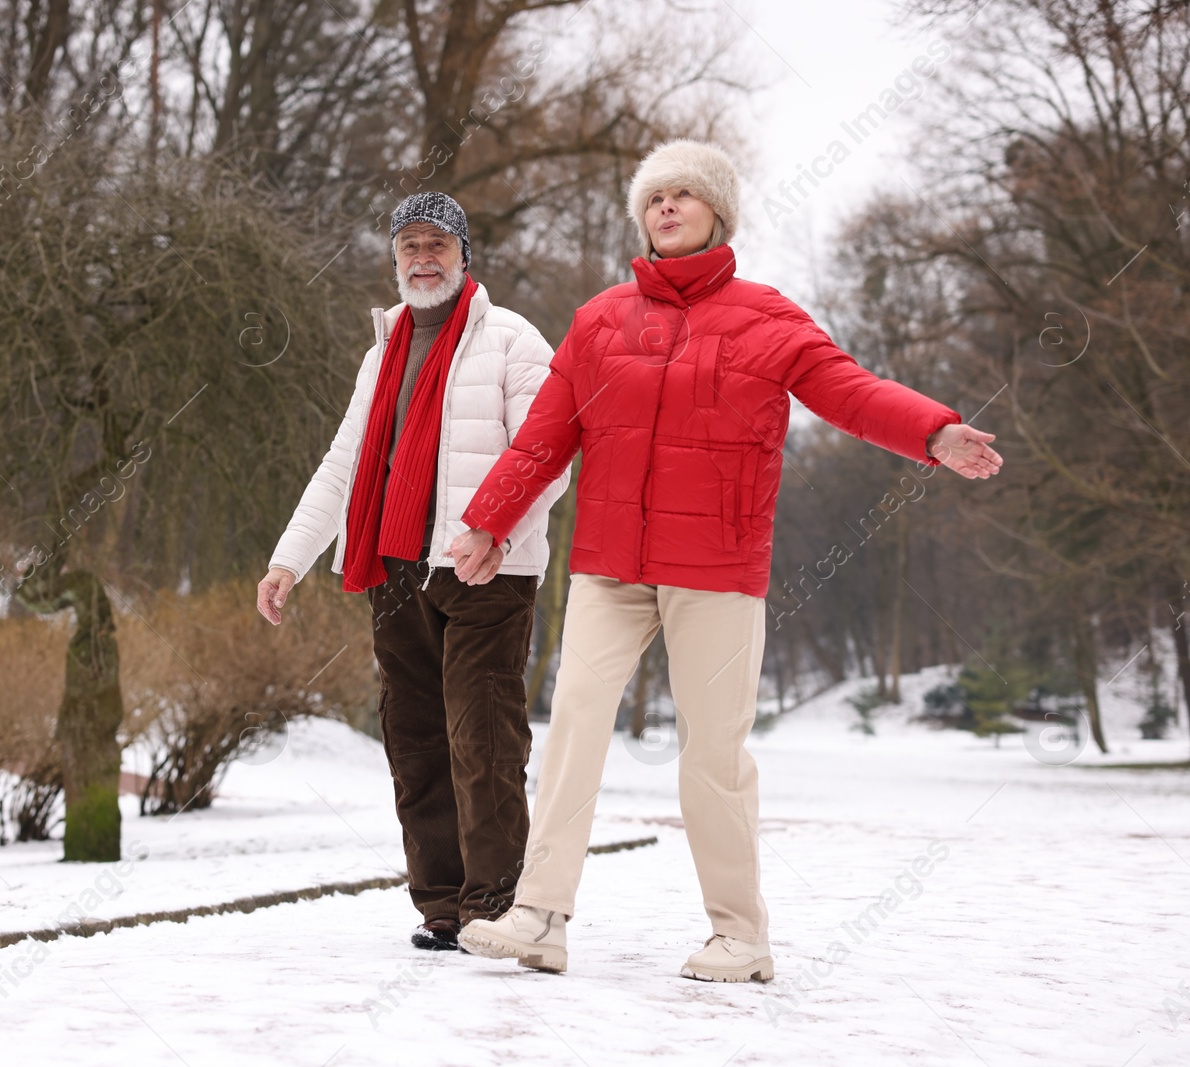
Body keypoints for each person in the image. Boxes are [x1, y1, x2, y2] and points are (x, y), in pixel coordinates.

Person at [448, 140, 1002, 980]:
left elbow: (848, 391)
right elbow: (545, 437)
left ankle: (740, 934)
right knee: (573, 730)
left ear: (717, 212)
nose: (666, 206)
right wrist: (487, 522)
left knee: (713, 752)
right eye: (655, 196)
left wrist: (933, 430)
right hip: (610, 564)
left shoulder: (768, 317)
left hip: (715, 570)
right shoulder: (600, 321)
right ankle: (540, 914)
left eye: (684, 194)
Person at [257, 192, 570, 951]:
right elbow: (345, 464)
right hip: (397, 566)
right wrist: (288, 558)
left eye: (438, 244)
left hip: (486, 568)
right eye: (409, 246)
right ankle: (442, 904)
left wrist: (493, 529)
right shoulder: (384, 349)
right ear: (395, 260)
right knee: (417, 738)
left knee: (482, 736)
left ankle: (496, 905)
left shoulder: (512, 341)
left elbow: (548, 454)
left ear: (466, 257)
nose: (423, 258)